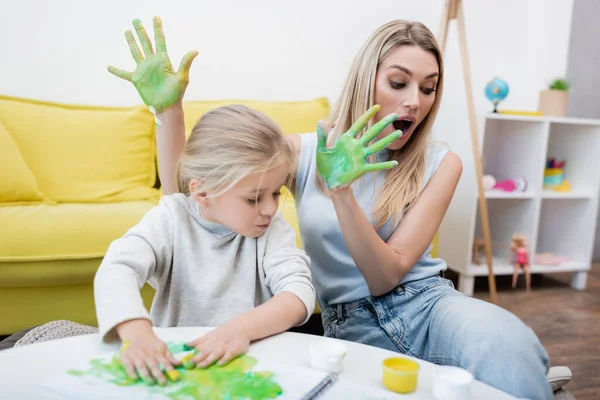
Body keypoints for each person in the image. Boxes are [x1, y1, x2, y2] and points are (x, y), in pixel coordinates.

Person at [122, 16, 552, 399]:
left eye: (428, 87)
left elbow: (387, 275)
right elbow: (197, 196)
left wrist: (342, 193)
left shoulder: (442, 163)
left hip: (430, 306)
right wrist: (169, 111)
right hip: (349, 325)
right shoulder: (304, 152)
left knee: (509, 348)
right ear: (368, 79)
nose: (415, 102)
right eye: (398, 83)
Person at [99, 19, 315, 387]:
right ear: (202, 192)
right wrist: (137, 333)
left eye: (276, 192)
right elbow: (117, 268)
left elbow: (300, 293)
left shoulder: (270, 230)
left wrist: (240, 330)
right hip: (174, 370)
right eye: (253, 198)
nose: (270, 208)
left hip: (248, 368)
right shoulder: (171, 218)